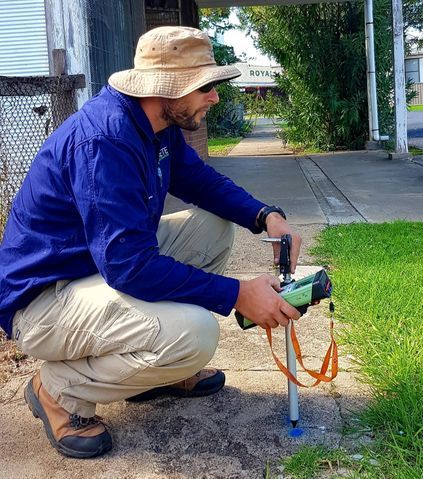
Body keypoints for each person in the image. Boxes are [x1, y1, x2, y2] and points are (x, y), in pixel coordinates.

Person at [0, 26, 301, 459]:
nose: (214, 96)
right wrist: (237, 295)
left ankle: (156, 372)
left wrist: (265, 217)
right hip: (43, 301)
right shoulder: (106, 140)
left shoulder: (156, 124)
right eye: (206, 86)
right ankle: (56, 390)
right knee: (195, 337)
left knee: (214, 228)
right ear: (168, 89)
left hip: (94, 268)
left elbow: (198, 180)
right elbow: (129, 266)